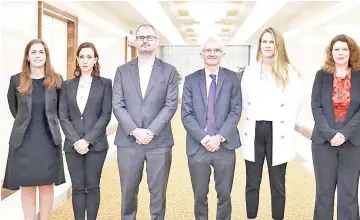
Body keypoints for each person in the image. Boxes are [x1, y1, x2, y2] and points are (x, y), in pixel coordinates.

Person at [112, 24, 178, 220]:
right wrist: (134, 130)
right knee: (128, 193)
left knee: (158, 194)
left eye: (149, 37)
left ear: (156, 41)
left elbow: (171, 104)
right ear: (135, 41)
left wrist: (150, 131)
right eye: (141, 37)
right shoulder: (122, 71)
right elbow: (117, 104)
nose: (145, 41)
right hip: (128, 142)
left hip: (159, 142)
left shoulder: (168, 71)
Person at [240, 27, 302, 220]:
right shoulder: (250, 71)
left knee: (278, 184)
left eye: (271, 42)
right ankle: (251, 217)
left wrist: (286, 124)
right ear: (259, 45)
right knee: (252, 182)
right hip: (255, 129)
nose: (267, 45)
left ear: (278, 45)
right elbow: (244, 100)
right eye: (264, 42)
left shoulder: (288, 71)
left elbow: (295, 103)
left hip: (278, 130)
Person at [2, 39, 65, 220]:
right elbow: (15, 109)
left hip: (48, 140)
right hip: (23, 141)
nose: (38, 55)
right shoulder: (16, 80)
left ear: (46, 56)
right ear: (27, 57)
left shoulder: (57, 80)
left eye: (41, 52)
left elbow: (61, 110)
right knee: (27, 187)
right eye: (34, 52)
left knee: (46, 186)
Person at [181, 36, 242, 220]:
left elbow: (235, 110)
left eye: (216, 50)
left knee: (224, 195)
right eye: (208, 50)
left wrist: (219, 137)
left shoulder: (232, 78)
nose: (212, 53)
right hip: (198, 146)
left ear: (223, 54)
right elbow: (186, 114)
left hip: (225, 145)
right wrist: (205, 138)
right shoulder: (191, 80)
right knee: (200, 196)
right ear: (202, 54)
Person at [59, 42, 112, 220]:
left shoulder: (105, 84)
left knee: (93, 186)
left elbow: (105, 115)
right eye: (82, 56)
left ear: (95, 60)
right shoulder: (67, 85)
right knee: (78, 187)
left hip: (96, 145)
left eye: (89, 57)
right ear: (77, 59)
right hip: (72, 146)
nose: (85, 60)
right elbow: (63, 116)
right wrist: (76, 141)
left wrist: (87, 140)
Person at [311, 34, 360, 220]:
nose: (340, 53)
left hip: (353, 142)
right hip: (324, 142)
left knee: (349, 193)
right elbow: (316, 106)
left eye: (344, 49)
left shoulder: (359, 75)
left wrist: (345, 134)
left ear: (351, 52)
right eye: (337, 49)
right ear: (331, 53)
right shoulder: (322, 75)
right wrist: (330, 134)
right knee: (324, 193)